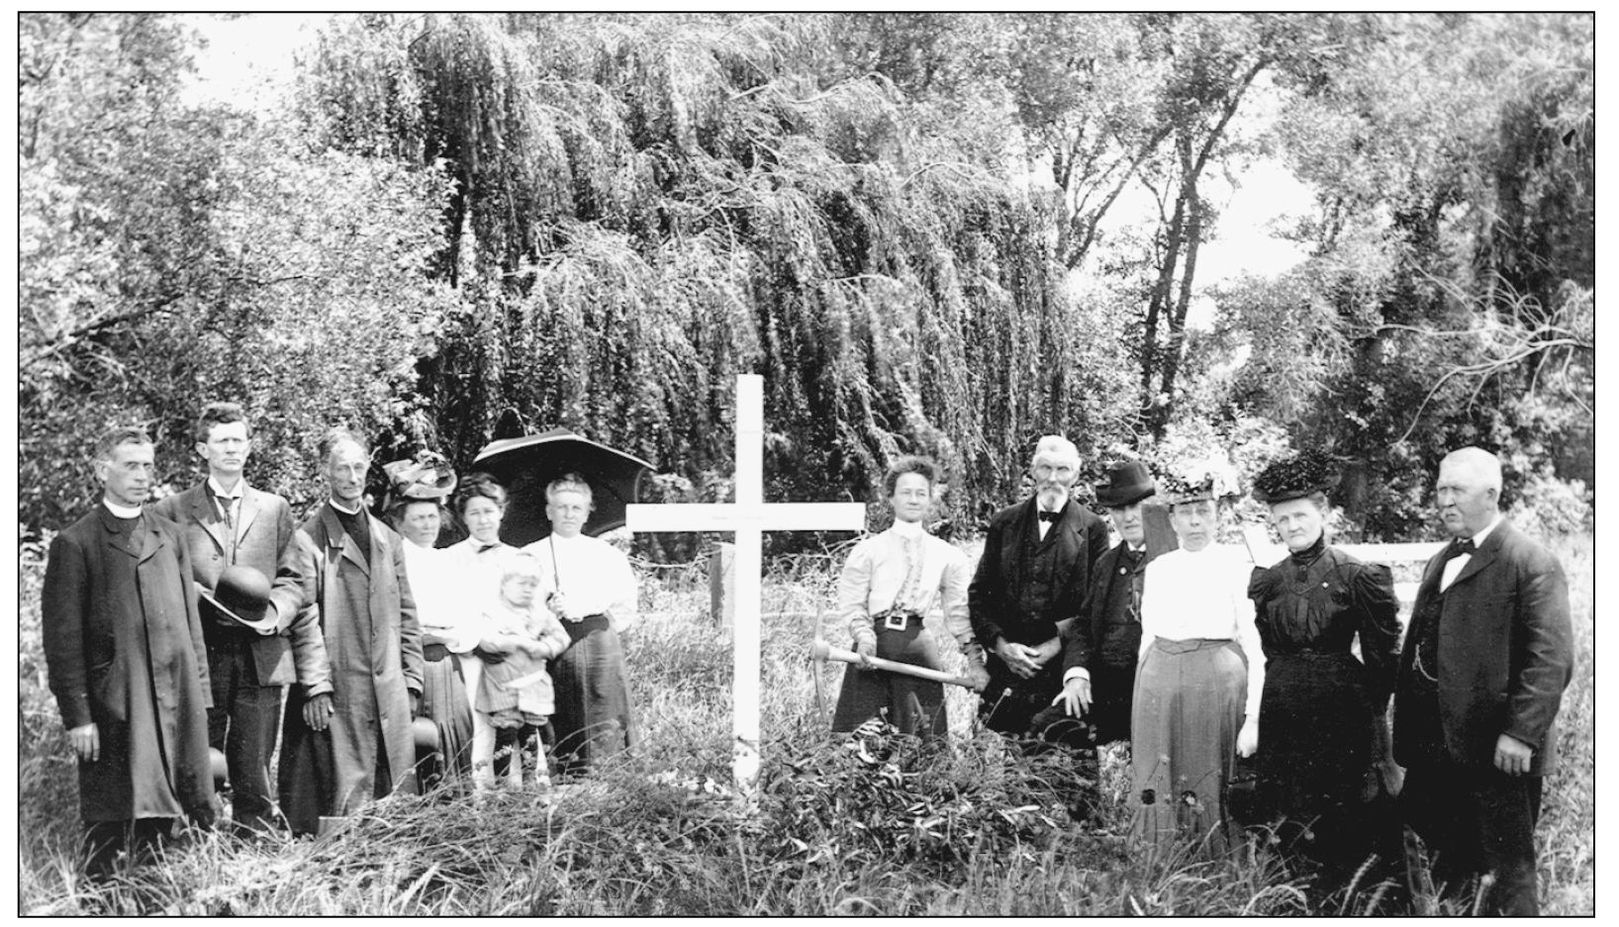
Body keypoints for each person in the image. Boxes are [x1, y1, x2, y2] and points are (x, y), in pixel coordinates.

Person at [1393, 447, 1573, 915]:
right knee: (1451, 869)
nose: (1445, 501)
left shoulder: (1530, 561)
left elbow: (1550, 660)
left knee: (1507, 876)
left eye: (1458, 490)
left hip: (1499, 752)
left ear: (1492, 495)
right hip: (1439, 748)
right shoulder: (1440, 559)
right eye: (1440, 490)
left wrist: (1520, 734)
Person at [41, 427, 215, 877]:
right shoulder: (76, 543)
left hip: (175, 700)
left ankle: (157, 901)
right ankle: (101, 908)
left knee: (168, 819)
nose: (143, 476)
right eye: (131, 466)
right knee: (111, 820)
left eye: (148, 467)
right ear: (103, 471)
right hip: (116, 704)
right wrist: (78, 717)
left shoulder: (171, 535)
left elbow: (190, 628)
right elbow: (62, 643)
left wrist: (201, 700)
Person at [1246, 450, 1402, 882]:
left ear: (1323, 512)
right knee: (1290, 810)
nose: (1293, 526)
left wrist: (1371, 716)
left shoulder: (1356, 573)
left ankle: (1353, 897)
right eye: (1283, 520)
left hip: (1343, 709)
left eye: (1300, 515)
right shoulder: (1269, 580)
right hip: (1284, 706)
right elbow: (1268, 650)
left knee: (1348, 810)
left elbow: (1382, 656)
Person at [151, 402, 306, 835]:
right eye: (222, 441)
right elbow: (162, 583)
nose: (232, 449)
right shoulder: (173, 511)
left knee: (255, 760)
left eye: (239, 440)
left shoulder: (274, 508)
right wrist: (198, 600)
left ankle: (254, 843)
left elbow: (294, 580)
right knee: (202, 754)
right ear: (203, 449)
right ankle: (201, 838)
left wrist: (273, 615)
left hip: (262, 654)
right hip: (204, 654)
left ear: (250, 447)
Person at [279, 428, 424, 836]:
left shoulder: (388, 539)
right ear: (326, 472)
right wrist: (315, 686)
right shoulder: (308, 540)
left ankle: (391, 877)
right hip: (340, 690)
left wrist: (411, 679)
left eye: (359, 466)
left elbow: (408, 613)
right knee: (342, 795)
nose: (352, 475)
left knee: (395, 794)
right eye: (342, 467)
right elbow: (302, 614)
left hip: (389, 689)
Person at [1129, 459, 1263, 855]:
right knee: (1161, 775)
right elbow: (1148, 635)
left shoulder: (1237, 567)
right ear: (1171, 520)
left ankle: (1217, 863)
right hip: (1160, 684)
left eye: (1203, 512)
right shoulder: (1159, 569)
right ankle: (1162, 860)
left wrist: (1253, 717)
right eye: (1185, 513)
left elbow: (1254, 643)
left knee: (1210, 775)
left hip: (1217, 684)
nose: (1195, 523)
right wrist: (1144, 696)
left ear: (1217, 516)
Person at [830, 456, 988, 737]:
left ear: (930, 500)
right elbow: (852, 603)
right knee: (863, 740)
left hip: (918, 652)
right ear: (890, 497)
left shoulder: (948, 555)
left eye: (921, 493)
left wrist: (975, 663)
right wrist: (865, 637)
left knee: (919, 740)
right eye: (905, 492)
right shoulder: (868, 550)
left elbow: (959, 612)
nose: (913, 499)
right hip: (872, 651)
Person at [969, 436, 1110, 740]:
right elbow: (980, 594)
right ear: (1033, 472)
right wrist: (1002, 646)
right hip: (1008, 673)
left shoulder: (1094, 529)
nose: (1053, 478)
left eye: (1062, 470)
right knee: (1010, 776)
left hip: (1062, 676)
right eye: (1045, 468)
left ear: (1075, 476)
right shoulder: (1003, 523)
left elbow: (1096, 605)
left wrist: (1053, 648)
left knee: (1067, 775)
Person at [525, 472, 638, 774]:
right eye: (561, 507)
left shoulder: (607, 555)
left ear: (588, 511)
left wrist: (589, 612)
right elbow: (520, 609)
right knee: (562, 714)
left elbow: (625, 608)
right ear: (549, 511)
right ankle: (565, 782)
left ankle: (611, 779)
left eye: (576, 508)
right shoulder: (531, 555)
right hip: (556, 645)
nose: (569, 514)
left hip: (599, 643)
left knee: (605, 712)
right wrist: (548, 611)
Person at [1053, 460, 1169, 750]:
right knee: (1052, 726)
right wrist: (1077, 675)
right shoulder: (1107, 562)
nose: (1128, 517)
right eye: (1119, 509)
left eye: (1136, 507)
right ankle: (1075, 796)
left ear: (1154, 508)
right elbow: (1083, 624)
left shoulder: (1174, 560)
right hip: (1106, 688)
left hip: (1156, 689)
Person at [383, 451, 475, 786]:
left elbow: (471, 623)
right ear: (400, 522)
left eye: (432, 517)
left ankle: (456, 821)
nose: (427, 525)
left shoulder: (449, 562)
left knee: (457, 740)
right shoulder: (392, 561)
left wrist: (450, 636)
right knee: (421, 745)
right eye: (418, 518)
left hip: (449, 669)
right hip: (410, 668)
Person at [471, 550, 571, 789]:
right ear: (504, 585)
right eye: (521, 584)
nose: (527, 589)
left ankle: (531, 784)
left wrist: (544, 647)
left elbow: (562, 638)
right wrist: (517, 641)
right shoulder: (493, 611)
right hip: (503, 684)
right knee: (506, 735)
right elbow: (486, 641)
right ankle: (503, 786)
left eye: (532, 585)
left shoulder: (540, 613)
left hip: (533, 683)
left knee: (532, 735)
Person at [446, 472, 520, 787]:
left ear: (501, 512)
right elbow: (448, 610)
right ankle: (477, 801)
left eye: (488, 511)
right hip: (470, 657)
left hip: (510, 658)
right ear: (463, 517)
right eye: (474, 513)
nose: (483, 520)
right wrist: (478, 637)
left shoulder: (520, 558)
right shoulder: (449, 559)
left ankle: (514, 797)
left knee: (512, 729)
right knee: (477, 729)